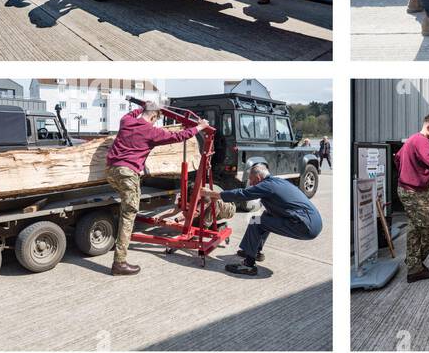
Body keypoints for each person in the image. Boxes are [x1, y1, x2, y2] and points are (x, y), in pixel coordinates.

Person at [104, 100, 212, 276]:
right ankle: (119, 263)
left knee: (126, 205)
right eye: (155, 119)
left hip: (111, 171)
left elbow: (131, 114)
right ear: (154, 116)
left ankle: (119, 250)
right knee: (129, 214)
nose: (154, 122)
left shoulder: (126, 121)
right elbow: (178, 136)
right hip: (127, 173)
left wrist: (142, 107)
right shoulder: (152, 132)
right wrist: (199, 128)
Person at [201, 164, 323, 276]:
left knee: (256, 222)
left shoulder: (266, 186)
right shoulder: (277, 182)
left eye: (252, 180)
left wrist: (214, 194)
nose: (252, 184)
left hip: (304, 225)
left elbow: (242, 194)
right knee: (264, 217)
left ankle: (248, 265)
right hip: (313, 221)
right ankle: (255, 251)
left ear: (259, 178)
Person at [396, 115, 429, 282]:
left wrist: (408, 172)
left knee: (414, 228)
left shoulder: (411, 140)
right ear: (428, 127)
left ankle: (414, 268)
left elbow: (397, 158)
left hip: (406, 188)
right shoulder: (421, 141)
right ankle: (415, 263)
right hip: (415, 191)